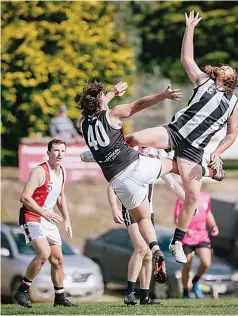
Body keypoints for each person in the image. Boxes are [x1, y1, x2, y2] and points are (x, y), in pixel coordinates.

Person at [125, 11, 238, 265]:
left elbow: (232, 134)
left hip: (194, 149)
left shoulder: (234, 104)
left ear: (230, 79)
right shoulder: (204, 82)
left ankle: (177, 241)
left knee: (192, 198)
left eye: (226, 69)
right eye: (221, 68)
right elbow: (186, 58)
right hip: (175, 132)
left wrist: (217, 153)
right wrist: (189, 28)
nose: (221, 69)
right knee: (133, 138)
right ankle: (104, 153)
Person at [78, 79, 183, 284]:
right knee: (176, 165)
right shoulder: (113, 113)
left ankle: (155, 250)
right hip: (135, 166)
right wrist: (163, 96)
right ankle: (211, 170)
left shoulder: (83, 125)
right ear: (101, 101)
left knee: (143, 219)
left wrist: (109, 94)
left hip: (118, 181)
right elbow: (140, 104)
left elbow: (92, 110)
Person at [107, 146, 185, 306]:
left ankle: (145, 296)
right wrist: (114, 207)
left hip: (148, 215)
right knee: (141, 249)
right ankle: (130, 294)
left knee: (149, 254)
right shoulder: (129, 162)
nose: (143, 147)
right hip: (132, 210)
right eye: (141, 145)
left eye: (146, 145)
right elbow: (111, 185)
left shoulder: (152, 164)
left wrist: (189, 201)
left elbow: (171, 184)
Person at [14, 139, 77, 308]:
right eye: (55, 150)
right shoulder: (39, 171)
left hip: (47, 217)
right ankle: (22, 289)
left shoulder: (62, 171)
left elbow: (60, 197)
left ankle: (60, 297)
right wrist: (45, 213)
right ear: (48, 152)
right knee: (44, 253)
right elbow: (25, 197)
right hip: (31, 216)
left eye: (62, 151)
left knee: (58, 259)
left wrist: (68, 220)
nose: (59, 154)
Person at [174, 191, 219, 299]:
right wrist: (186, 230)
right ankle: (185, 292)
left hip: (202, 236)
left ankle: (195, 282)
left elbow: (208, 212)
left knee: (206, 263)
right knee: (187, 266)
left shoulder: (206, 197)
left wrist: (213, 226)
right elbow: (176, 219)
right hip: (187, 238)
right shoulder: (182, 198)